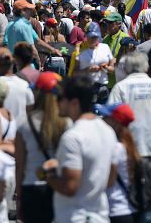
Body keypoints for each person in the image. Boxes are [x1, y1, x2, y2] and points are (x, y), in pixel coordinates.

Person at [108, 51, 151, 223]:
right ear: (146, 67)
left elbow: (112, 120)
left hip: (129, 151)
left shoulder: (120, 87)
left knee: (128, 198)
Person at [41, 73, 118, 223]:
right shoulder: (108, 131)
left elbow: (70, 187)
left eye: (61, 99)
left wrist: (47, 174)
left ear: (74, 103)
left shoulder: (73, 137)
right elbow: (110, 180)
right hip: (99, 216)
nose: (57, 103)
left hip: (74, 217)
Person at [15, 72, 70, 223]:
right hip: (57, 186)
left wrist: (19, 197)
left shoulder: (25, 125)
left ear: (38, 92)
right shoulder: (67, 123)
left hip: (31, 188)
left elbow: (20, 165)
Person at [96, 103, 139, 223]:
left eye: (106, 117)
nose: (102, 120)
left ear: (115, 122)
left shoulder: (115, 148)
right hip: (127, 209)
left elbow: (109, 181)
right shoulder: (128, 145)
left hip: (115, 211)